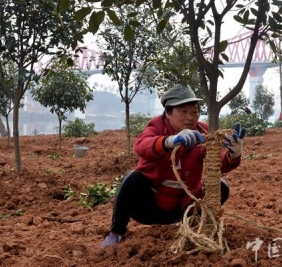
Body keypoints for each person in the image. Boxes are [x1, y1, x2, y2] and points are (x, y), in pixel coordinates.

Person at [100, 84, 246, 248]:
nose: (190, 117)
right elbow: (141, 146)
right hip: (149, 206)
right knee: (132, 179)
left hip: (184, 206)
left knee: (220, 187)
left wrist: (232, 155)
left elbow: (217, 163)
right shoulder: (157, 126)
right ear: (168, 113)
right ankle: (116, 232)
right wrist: (169, 141)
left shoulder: (203, 131)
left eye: (194, 112)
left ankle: (194, 224)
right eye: (183, 111)